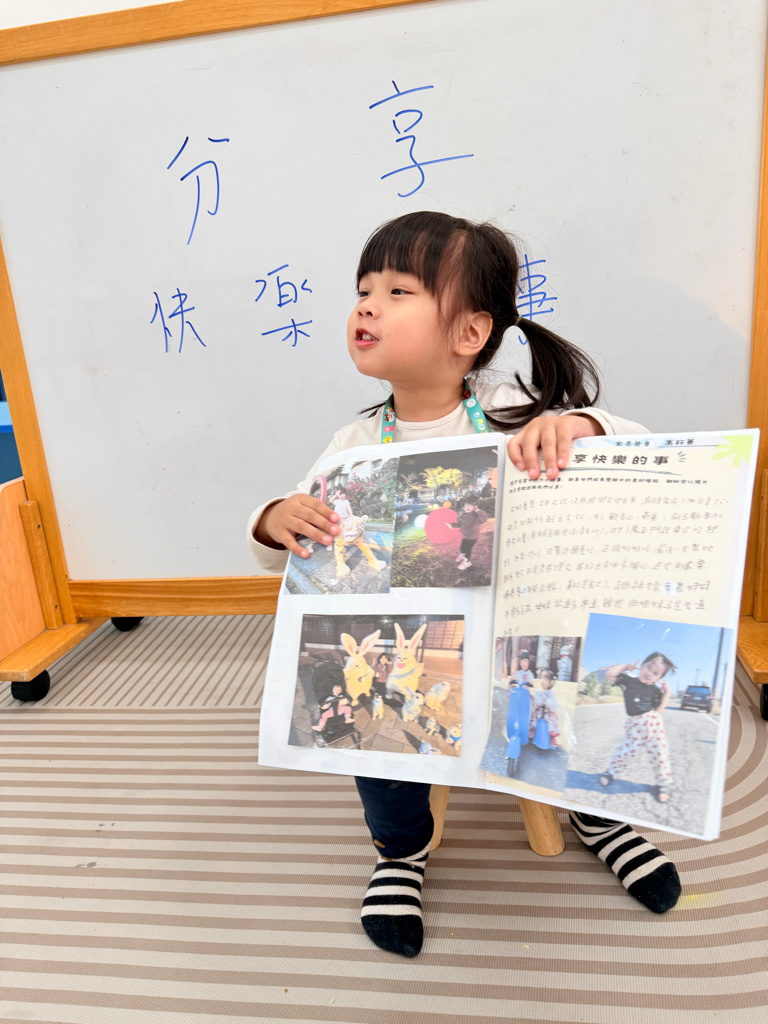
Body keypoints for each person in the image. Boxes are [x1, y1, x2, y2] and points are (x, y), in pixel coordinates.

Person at [247, 211, 680, 958]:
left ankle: (597, 817)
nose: (368, 307)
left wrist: (583, 428)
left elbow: (648, 449)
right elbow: (281, 555)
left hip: (516, 638)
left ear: (470, 332)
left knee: (566, 707)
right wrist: (274, 518)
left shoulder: (511, 417)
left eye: (398, 291)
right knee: (376, 736)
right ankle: (400, 852)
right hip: (414, 656)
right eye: (363, 290)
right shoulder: (354, 447)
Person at [599, 652, 676, 803]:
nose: (649, 673)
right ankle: (612, 772)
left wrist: (667, 693)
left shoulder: (655, 691)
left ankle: (663, 783)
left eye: (655, 673)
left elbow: (660, 709)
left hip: (653, 723)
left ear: (659, 678)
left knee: (660, 754)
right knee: (624, 751)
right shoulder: (628, 681)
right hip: (635, 724)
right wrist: (626, 667)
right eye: (648, 667)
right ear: (642, 665)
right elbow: (609, 675)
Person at [449, 498, 488, 569]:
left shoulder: (476, 515)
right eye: (466, 505)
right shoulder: (463, 514)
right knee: (462, 547)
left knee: (468, 549)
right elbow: (460, 523)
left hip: (472, 536)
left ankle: (467, 562)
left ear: (475, 507)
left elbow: (484, 518)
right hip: (465, 536)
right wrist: (452, 525)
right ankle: (462, 555)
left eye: (471, 506)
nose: (468, 507)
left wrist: (478, 511)